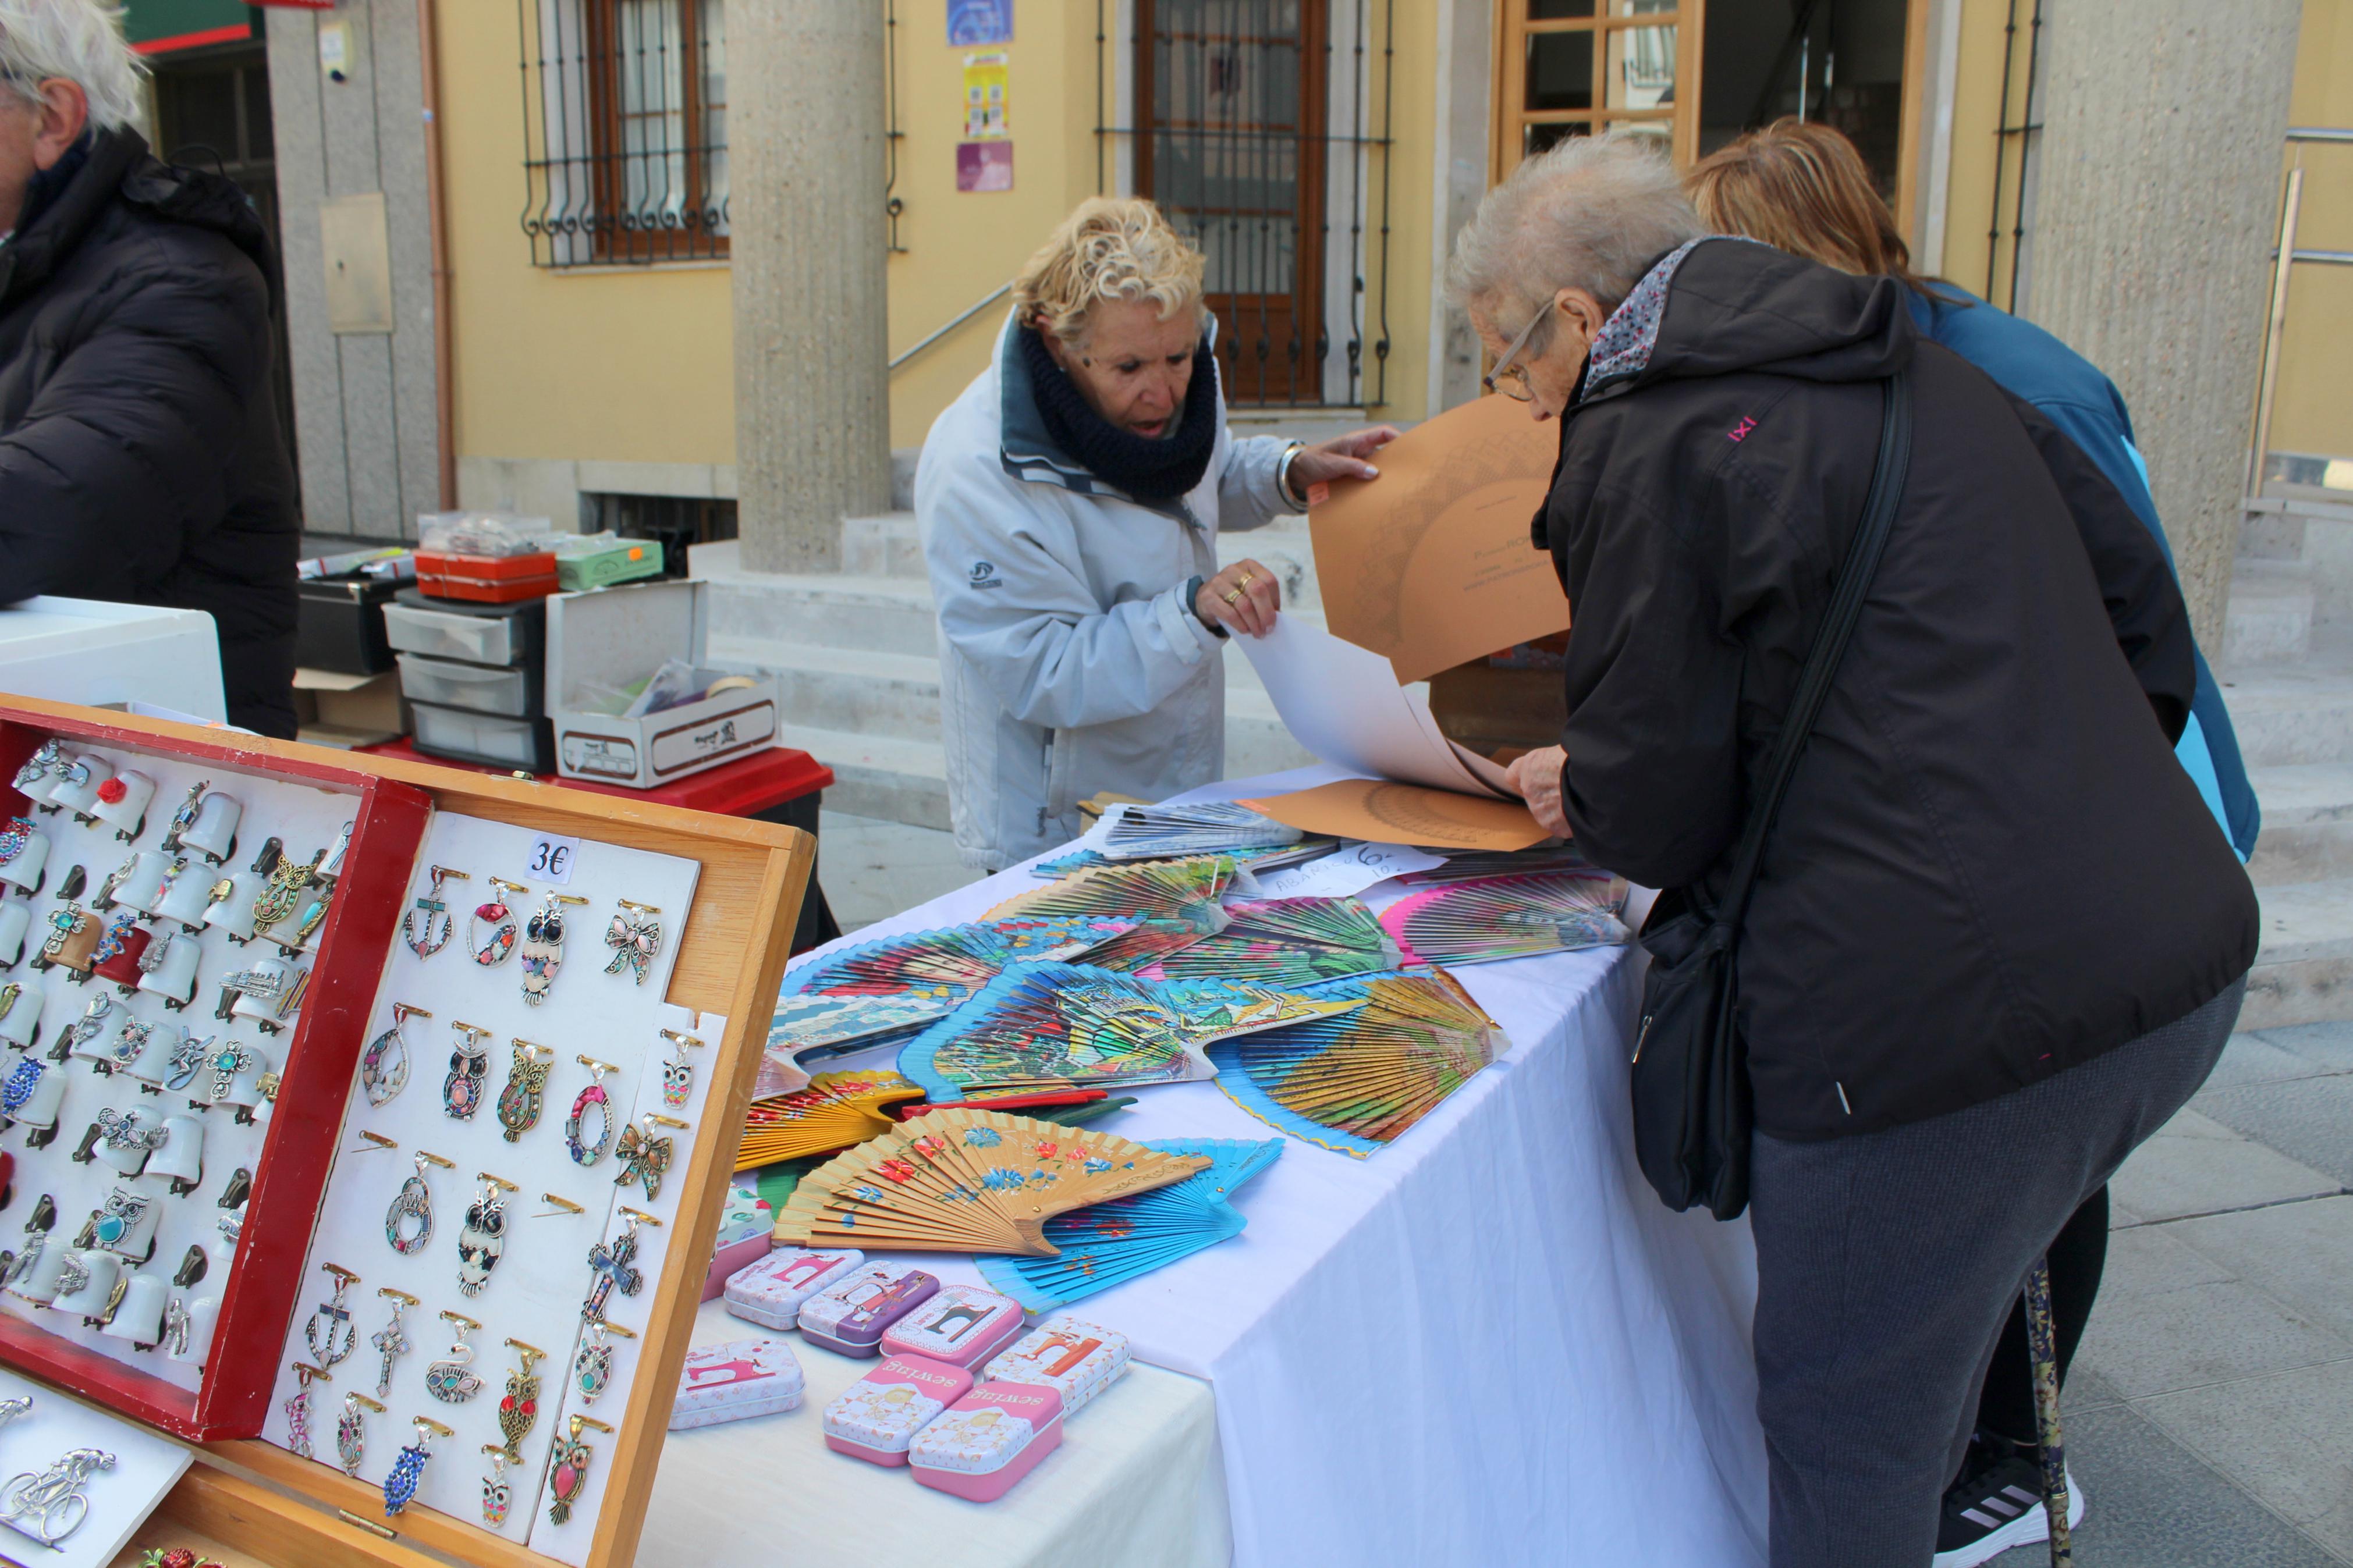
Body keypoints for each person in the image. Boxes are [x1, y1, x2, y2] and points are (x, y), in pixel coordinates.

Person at [1451, 135, 2258, 1567]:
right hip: (2173, 952)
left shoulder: (1641, 436)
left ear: (1575, 318)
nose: (1522, 403)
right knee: (1919, 1364)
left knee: (1846, 1436)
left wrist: (1589, 782)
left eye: (1511, 367)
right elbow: (2144, 630)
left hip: (1927, 1038)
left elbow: (1653, 813)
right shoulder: (1928, 363)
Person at [919, 197, 1395, 869]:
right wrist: (1193, 612)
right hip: (1054, 822)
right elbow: (1046, 671)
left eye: (1178, 357)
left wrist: (1286, 472)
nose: (1164, 393)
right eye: (1129, 368)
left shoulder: (1175, 365)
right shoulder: (974, 468)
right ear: (1057, 343)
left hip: (1175, 783)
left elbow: (1196, 477)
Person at [0, 0, 299, 737]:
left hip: (165, 777)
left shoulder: (183, 279)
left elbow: (52, 516)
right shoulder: (30, 270)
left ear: (51, 118)